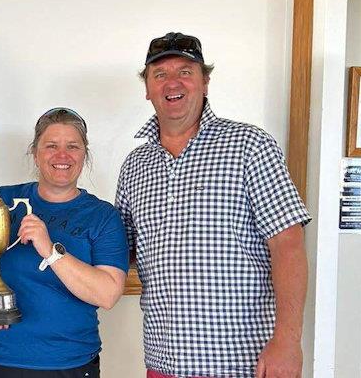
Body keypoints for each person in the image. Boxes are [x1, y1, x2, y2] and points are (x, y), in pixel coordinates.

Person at [115, 32, 312, 378]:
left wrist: (288, 340)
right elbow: (120, 252)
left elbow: (289, 243)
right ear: (146, 88)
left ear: (205, 81)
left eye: (185, 72)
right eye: (159, 74)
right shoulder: (134, 165)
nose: (172, 83)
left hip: (245, 362)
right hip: (164, 362)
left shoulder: (250, 145)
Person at [0, 108, 129, 378]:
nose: (62, 156)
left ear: (85, 154)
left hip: (70, 363)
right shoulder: (3, 201)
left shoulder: (103, 216)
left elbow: (108, 294)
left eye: (73, 147)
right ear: (35, 152)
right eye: (51, 146)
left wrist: (49, 248)